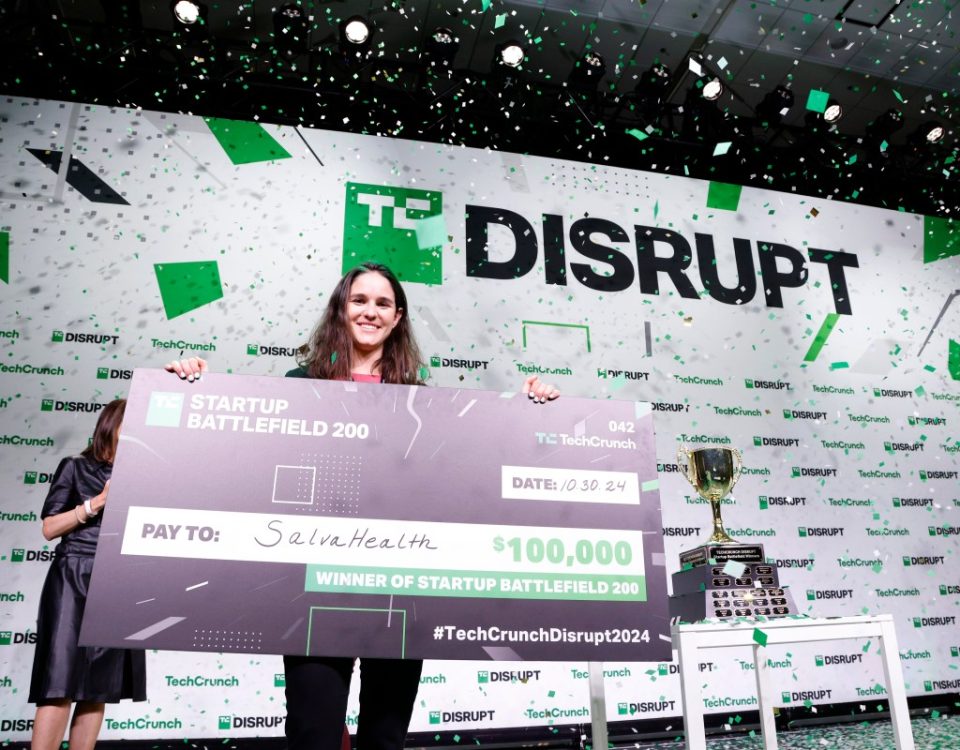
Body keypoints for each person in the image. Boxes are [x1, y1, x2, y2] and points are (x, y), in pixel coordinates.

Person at [165, 262, 559, 750]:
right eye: (359, 300)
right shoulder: (298, 383)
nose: (370, 311)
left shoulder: (421, 401)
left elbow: (467, 471)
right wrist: (192, 388)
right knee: (313, 733)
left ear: (398, 318)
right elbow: (248, 460)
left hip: (400, 590)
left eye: (382, 303)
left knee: (385, 737)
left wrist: (527, 407)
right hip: (312, 588)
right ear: (341, 309)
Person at [28, 399, 146, 750]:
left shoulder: (146, 476)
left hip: (118, 582)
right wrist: (97, 503)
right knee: (58, 682)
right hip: (72, 578)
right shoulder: (75, 467)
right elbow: (49, 528)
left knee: (98, 687)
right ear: (111, 426)